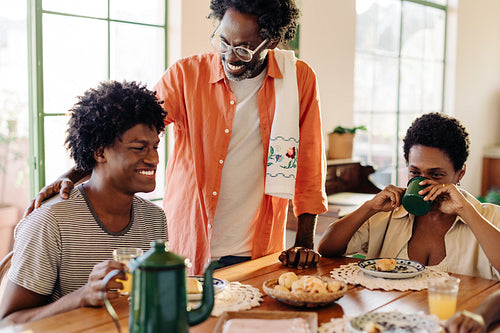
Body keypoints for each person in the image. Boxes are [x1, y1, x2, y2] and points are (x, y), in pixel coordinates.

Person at [24, 0, 328, 274]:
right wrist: (74, 171)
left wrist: (304, 241)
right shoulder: (186, 75)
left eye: (244, 48)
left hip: (259, 248)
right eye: (223, 42)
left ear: (271, 41)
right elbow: (127, 129)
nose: (230, 56)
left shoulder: (298, 80)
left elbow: (309, 163)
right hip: (190, 242)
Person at [0, 81, 167, 324]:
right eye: (138, 148)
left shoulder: (154, 219)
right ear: (100, 152)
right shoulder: (51, 222)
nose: (153, 158)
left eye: (154, 146)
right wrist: (81, 296)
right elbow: (9, 322)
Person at [318, 112, 500, 280]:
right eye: (415, 172)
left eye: (436, 175)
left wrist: (465, 211)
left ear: (460, 174)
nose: (423, 183)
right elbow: (326, 248)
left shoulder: (489, 217)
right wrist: (369, 207)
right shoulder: (388, 213)